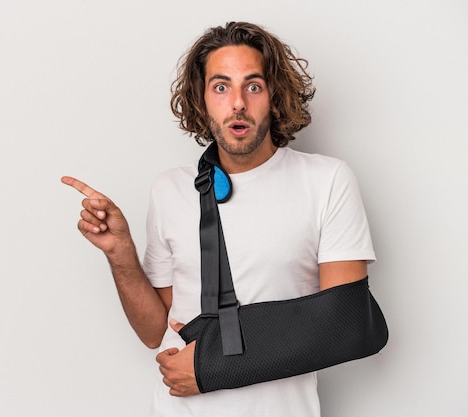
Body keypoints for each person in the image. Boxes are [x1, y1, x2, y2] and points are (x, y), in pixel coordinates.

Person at [62, 21, 381, 417]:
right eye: (220, 86)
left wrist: (213, 367)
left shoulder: (327, 180)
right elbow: (153, 332)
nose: (237, 104)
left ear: (274, 96)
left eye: (253, 85)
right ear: (201, 100)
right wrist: (121, 254)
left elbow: (345, 325)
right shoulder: (168, 190)